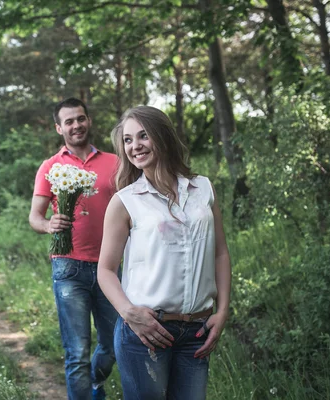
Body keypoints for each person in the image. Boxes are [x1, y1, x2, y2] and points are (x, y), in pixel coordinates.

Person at [97, 106, 231, 399]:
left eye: (143, 136)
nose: (135, 146)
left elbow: (220, 252)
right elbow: (105, 269)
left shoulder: (203, 189)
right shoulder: (125, 201)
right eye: (128, 140)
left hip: (197, 331)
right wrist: (128, 313)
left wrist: (222, 311)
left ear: (163, 135)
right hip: (145, 333)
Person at [29, 97, 119, 400]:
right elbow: (34, 218)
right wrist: (48, 225)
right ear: (59, 128)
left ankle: (95, 382)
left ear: (89, 121)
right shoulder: (51, 167)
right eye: (69, 121)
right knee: (77, 353)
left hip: (112, 267)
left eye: (80, 118)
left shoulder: (115, 162)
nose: (76, 125)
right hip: (69, 267)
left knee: (115, 343)